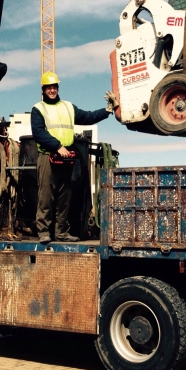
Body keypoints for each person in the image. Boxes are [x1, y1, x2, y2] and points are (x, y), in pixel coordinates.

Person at [31, 71, 117, 243]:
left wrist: (108, 110)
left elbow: (88, 116)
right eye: (49, 87)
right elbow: (38, 133)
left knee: (65, 196)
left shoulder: (68, 107)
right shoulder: (38, 109)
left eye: (54, 87)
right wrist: (57, 146)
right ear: (43, 89)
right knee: (46, 196)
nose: (52, 90)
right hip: (48, 156)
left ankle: (61, 232)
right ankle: (44, 232)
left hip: (66, 157)